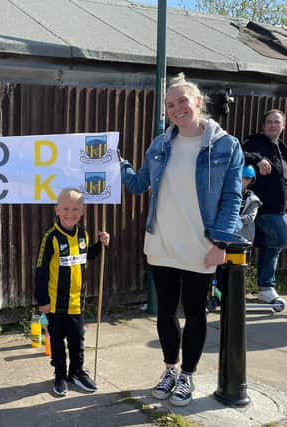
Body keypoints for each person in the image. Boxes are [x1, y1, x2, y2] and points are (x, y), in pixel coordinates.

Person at [120, 73, 243, 407]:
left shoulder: (226, 145)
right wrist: (116, 164)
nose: (177, 109)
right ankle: (170, 370)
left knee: (195, 312)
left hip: (200, 246)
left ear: (198, 102)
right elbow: (137, 185)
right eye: (171, 105)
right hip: (161, 242)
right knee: (164, 313)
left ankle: (188, 375)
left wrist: (220, 244)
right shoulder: (160, 144)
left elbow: (232, 199)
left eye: (182, 101)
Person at [34, 188, 110, 397]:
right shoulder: (50, 238)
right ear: (57, 210)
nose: (71, 212)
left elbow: (87, 256)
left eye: (76, 208)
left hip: (77, 303)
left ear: (83, 210)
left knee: (77, 340)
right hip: (55, 304)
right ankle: (60, 374)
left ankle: (76, 372)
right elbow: (40, 270)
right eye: (66, 208)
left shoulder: (83, 235)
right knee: (58, 342)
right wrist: (42, 300)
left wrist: (101, 245)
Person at [242, 109, 287, 304]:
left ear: (283, 126)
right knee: (280, 240)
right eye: (268, 121)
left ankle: (266, 287)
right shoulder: (255, 142)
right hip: (262, 208)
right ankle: (264, 285)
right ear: (263, 125)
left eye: (276, 122)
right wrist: (257, 159)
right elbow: (240, 153)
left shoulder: (282, 148)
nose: (272, 125)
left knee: (273, 247)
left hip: (280, 208)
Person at [238, 165, 262, 243]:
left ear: (250, 181)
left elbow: (250, 217)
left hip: (243, 238)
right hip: (226, 236)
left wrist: (231, 219)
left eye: (247, 179)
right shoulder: (227, 195)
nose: (244, 181)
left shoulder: (253, 199)